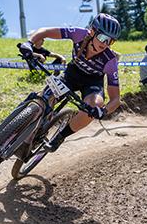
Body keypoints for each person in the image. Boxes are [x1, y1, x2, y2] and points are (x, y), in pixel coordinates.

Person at [18, 13, 121, 152]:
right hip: (72, 74)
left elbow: (116, 99)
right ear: (92, 32)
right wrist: (29, 43)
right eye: (103, 37)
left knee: (93, 107)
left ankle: (61, 136)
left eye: (110, 41)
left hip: (92, 83)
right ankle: (31, 122)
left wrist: (102, 111)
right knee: (45, 98)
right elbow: (45, 31)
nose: (105, 43)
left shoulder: (110, 61)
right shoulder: (80, 34)